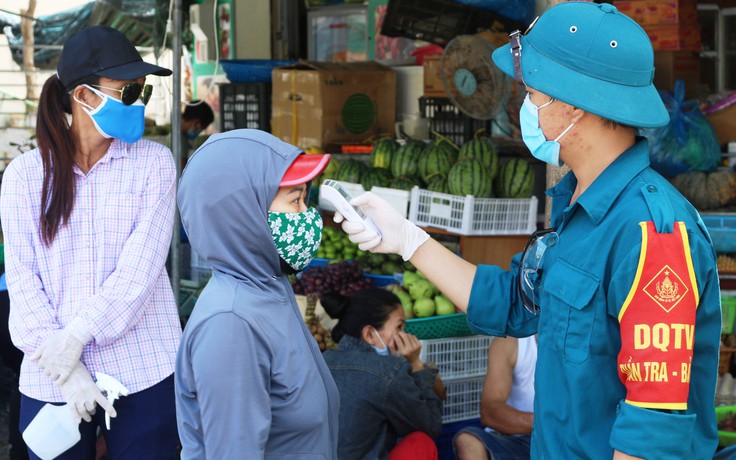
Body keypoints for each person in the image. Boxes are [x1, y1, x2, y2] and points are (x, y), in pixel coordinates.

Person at [333, 3, 721, 459]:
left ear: (575, 104)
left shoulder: (652, 234)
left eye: (533, 92)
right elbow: (515, 303)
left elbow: (652, 429)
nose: (525, 106)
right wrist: (408, 240)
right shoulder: (576, 207)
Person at [0, 25, 182, 459]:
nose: (138, 100)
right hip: (51, 375)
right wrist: (66, 368)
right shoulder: (25, 176)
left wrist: (76, 338)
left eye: (143, 90)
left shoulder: (154, 164)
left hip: (144, 367)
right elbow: (23, 283)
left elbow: (140, 272)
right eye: (128, 90)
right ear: (83, 96)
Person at [175, 129, 339, 459]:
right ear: (243, 216)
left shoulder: (268, 286)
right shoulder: (231, 325)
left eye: (306, 199)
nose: (308, 215)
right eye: (295, 200)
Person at [320, 287, 445, 460]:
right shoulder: (388, 371)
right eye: (400, 326)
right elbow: (430, 426)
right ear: (370, 334)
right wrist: (416, 364)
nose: (405, 335)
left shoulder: (321, 360)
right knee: (422, 442)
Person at [453, 336, 536, 460]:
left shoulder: (574, 346)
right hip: (516, 440)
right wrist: (541, 423)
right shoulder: (511, 341)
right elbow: (490, 411)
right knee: (468, 441)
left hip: (565, 441)